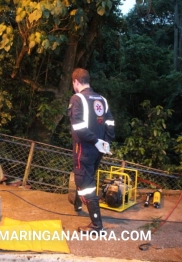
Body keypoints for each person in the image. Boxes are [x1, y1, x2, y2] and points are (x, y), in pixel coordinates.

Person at [67, 68, 115, 233]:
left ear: (76, 82)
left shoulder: (77, 98)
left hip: (85, 148)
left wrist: (94, 141)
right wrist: (106, 142)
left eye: (73, 83)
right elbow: (110, 123)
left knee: (85, 183)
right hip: (98, 149)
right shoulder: (102, 99)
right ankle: (79, 203)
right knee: (87, 177)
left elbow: (78, 127)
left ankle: (96, 225)